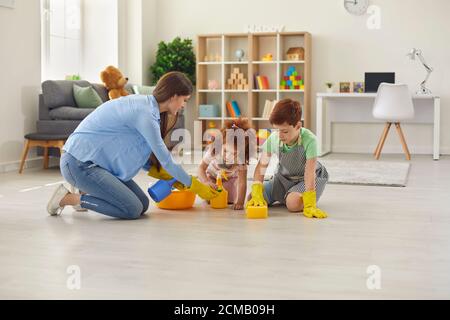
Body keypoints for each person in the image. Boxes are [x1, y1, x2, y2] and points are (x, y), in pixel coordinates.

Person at [47, 72, 218, 219]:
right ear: (174, 96)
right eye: (184, 100)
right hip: (79, 163)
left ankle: (89, 191)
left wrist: (172, 177)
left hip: (97, 165)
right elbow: (166, 160)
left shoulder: (149, 110)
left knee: (142, 205)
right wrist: (195, 185)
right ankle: (68, 198)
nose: (183, 106)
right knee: (131, 209)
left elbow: (135, 153)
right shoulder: (145, 114)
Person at [246, 99, 329, 219]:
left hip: (306, 179)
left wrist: (309, 202)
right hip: (283, 179)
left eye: (284, 131)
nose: (280, 135)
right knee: (252, 198)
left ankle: (291, 197)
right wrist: (257, 188)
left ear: (298, 126)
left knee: (293, 204)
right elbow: (261, 167)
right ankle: (285, 195)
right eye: (277, 130)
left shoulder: (310, 140)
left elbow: (309, 172)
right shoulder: (274, 139)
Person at [198, 118, 252, 210]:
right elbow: (201, 168)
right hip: (212, 177)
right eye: (226, 151)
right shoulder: (214, 151)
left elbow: (242, 183)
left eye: (234, 153)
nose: (229, 157)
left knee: (229, 199)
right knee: (209, 197)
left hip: (230, 179)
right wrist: (206, 181)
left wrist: (240, 202)